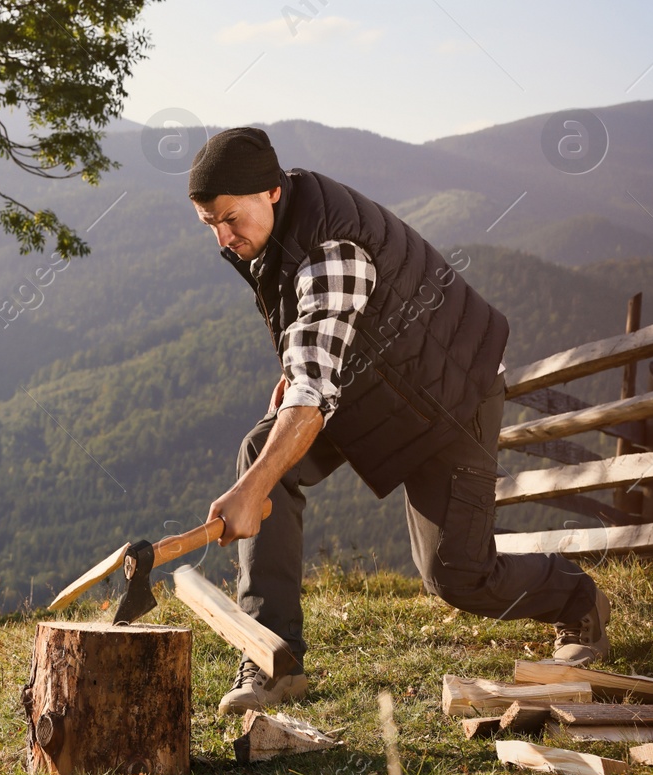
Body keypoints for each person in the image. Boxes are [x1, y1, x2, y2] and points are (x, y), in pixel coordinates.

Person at [188, 126, 609, 714]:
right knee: (263, 450)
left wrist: (248, 493)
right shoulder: (275, 222)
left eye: (229, 219)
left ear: (272, 192)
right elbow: (312, 334)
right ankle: (273, 659)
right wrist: (295, 366)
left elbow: (312, 391)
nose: (222, 238)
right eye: (210, 224)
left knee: (456, 576)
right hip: (375, 384)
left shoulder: (331, 250)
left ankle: (576, 599)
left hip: (450, 395)